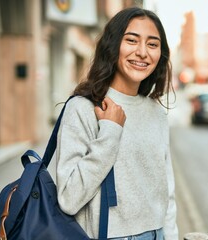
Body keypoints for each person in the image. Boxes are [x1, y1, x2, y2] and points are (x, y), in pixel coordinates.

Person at [56, 7, 179, 240]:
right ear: (113, 46)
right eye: (132, 40)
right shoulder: (82, 108)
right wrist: (110, 133)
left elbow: (166, 193)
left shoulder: (156, 113)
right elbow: (68, 198)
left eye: (152, 44)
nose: (142, 52)